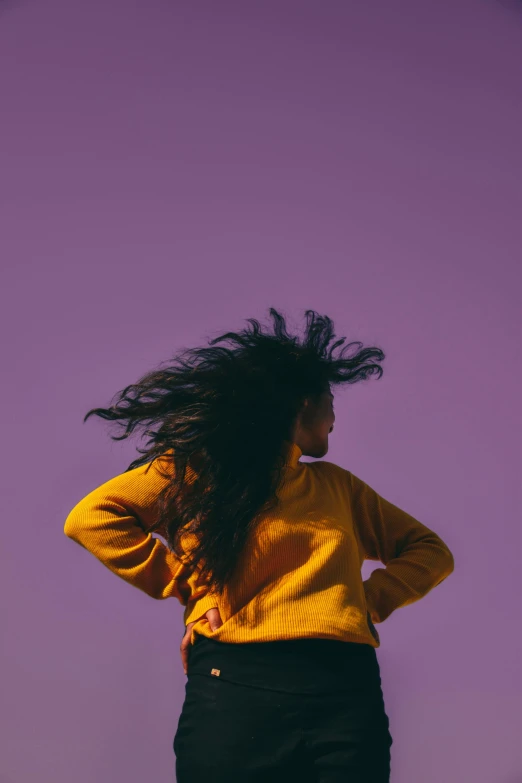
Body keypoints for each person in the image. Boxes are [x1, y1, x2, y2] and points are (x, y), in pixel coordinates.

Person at [64, 308, 454, 782]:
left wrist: (365, 602)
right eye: (330, 398)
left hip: (345, 692)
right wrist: (188, 585)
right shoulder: (197, 469)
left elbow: (429, 550)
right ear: (300, 404)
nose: (335, 415)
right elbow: (92, 518)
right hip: (234, 687)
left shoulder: (339, 487)